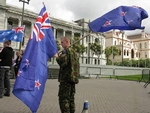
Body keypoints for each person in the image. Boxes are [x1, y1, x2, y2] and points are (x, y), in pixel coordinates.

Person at [55, 36, 79, 113]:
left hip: (66, 79)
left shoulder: (66, 52)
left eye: (62, 42)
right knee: (71, 99)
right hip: (73, 79)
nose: (61, 44)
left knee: (64, 99)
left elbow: (63, 63)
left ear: (67, 42)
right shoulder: (74, 53)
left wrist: (57, 57)